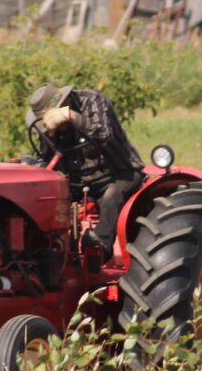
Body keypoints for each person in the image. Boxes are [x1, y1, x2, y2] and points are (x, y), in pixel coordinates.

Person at [25, 83, 145, 251]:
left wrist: (71, 116)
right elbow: (44, 158)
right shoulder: (45, 126)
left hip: (118, 174)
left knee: (112, 196)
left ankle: (100, 244)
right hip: (77, 182)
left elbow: (103, 135)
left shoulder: (93, 101)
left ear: (66, 102)